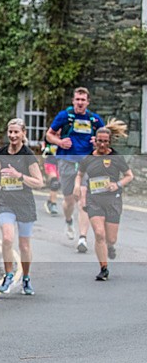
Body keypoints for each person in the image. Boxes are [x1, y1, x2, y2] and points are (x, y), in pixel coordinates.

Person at [45, 87, 104, 253]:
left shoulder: (94, 119)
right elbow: (49, 135)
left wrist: (97, 142)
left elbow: (105, 140)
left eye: (83, 100)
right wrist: (60, 142)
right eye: (77, 99)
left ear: (88, 102)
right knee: (69, 200)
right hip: (66, 161)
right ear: (73, 101)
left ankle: (83, 238)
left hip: (87, 163)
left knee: (84, 199)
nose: (80, 102)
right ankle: (69, 220)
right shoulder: (65, 116)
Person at [0, 118, 44, 295]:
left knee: (24, 246)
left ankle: (26, 278)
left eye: (16, 132)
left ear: (23, 134)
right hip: (5, 202)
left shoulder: (28, 156)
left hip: (25, 204)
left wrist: (18, 175)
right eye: (10, 132)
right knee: (7, 238)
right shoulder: (1, 152)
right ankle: (8, 275)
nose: (12, 135)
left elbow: (39, 182)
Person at [73, 120, 133, 281]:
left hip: (113, 201)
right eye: (99, 141)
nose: (102, 144)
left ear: (109, 142)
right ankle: (103, 268)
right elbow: (79, 174)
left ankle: (111, 246)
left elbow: (129, 176)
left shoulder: (116, 157)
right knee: (99, 234)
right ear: (95, 140)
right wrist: (77, 186)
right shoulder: (88, 158)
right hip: (94, 201)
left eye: (105, 141)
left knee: (110, 239)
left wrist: (117, 184)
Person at [40, 138, 60, 216]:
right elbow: (43, 153)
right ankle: (53, 204)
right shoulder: (49, 139)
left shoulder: (65, 138)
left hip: (60, 164)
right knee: (54, 182)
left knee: (57, 184)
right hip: (50, 163)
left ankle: (50, 201)